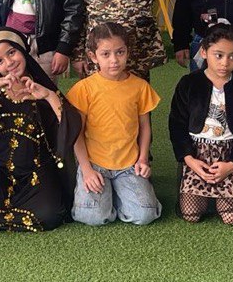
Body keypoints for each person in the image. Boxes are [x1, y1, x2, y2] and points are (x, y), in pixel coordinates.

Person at [0, 27, 82, 231]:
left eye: (11, 52)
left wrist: (49, 96)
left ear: (22, 50)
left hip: (37, 171)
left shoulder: (41, 89)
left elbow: (71, 123)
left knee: (49, 215)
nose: (9, 62)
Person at [67, 23, 162, 226]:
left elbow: (145, 127)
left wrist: (143, 159)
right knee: (92, 217)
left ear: (127, 51)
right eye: (106, 54)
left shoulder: (140, 87)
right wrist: (86, 170)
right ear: (93, 56)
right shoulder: (83, 89)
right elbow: (77, 134)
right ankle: (107, 195)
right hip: (95, 164)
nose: (114, 60)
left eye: (120, 52)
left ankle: (119, 195)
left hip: (129, 165)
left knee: (145, 215)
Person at [169, 25, 233, 225]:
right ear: (204, 52)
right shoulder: (188, 83)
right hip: (197, 156)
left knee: (232, 217)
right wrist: (189, 159)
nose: (225, 63)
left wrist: (232, 165)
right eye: (218, 55)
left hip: (230, 155)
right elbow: (177, 124)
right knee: (191, 214)